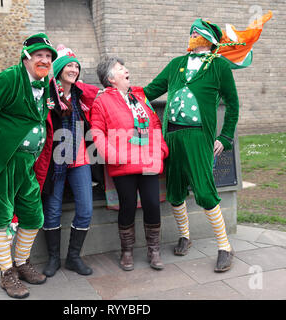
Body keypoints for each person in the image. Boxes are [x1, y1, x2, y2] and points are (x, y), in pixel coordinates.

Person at [143, 19, 241, 272]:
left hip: (199, 136)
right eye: (191, 32)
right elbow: (151, 90)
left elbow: (233, 103)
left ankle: (225, 247)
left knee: (204, 190)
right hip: (172, 136)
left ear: (209, 39)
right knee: (174, 190)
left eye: (198, 33)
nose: (193, 35)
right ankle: (185, 235)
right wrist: (121, 95)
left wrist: (225, 136)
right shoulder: (177, 64)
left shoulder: (219, 66)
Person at [0, 33, 57, 298]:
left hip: (27, 164)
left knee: (32, 216)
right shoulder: (7, 79)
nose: (45, 60)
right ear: (26, 57)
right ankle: (7, 274)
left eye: (49, 56)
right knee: (0, 218)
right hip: (1, 162)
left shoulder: (45, 84)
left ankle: (22, 263)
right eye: (39, 55)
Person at [91, 56, 169, 271]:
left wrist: (161, 148)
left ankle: (154, 251)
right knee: (127, 206)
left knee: (152, 203)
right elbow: (97, 131)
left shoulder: (140, 98)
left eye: (124, 67)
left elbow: (154, 123)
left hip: (148, 160)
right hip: (123, 163)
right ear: (110, 78)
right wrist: (112, 154)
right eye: (120, 68)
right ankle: (127, 251)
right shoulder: (102, 101)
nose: (126, 70)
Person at [33, 45, 100, 278]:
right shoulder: (48, 95)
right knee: (52, 210)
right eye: (68, 66)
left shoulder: (81, 94)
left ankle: (73, 257)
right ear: (59, 69)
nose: (73, 69)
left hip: (80, 159)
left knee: (86, 209)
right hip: (55, 160)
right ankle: (53, 258)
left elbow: (101, 93)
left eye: (76, 66)